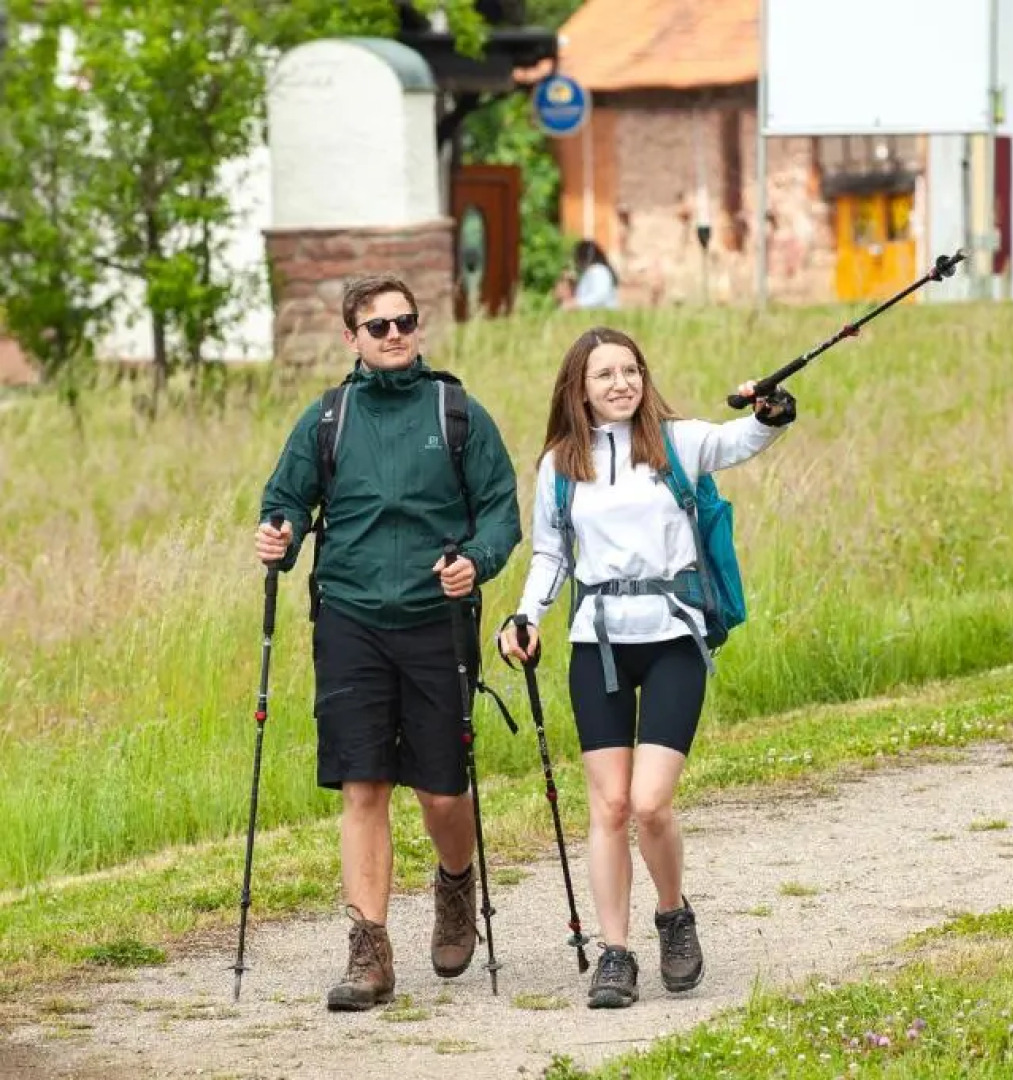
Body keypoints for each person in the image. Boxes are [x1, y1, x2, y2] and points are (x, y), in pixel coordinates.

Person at [496, 325, 796, 1009]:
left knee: (649, 803)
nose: (621, 384)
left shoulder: (676, 441)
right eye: (605, 374)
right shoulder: (560, 464)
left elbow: (743, 439)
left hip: (672, 640)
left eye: (630, 371)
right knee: (608, 806)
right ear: (579, 388)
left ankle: (672, 915)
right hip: (596, 644)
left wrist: (772, 410)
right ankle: (615, 953)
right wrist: (526, 615)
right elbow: (552, 554)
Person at [253, 275, 523, 1012]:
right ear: (352, 338)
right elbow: (285, 502)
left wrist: (478, 561)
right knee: (363, 782)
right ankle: (368, 949)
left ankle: (455, 885)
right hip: (350, 618)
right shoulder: (328, 418)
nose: (395, 334)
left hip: (438, 620)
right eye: (378, 326)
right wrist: (280, 536)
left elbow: (501, 512)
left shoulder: (457, 412)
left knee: (442, 791)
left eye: (405, 321)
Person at [554, 239, 620, 310]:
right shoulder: (591, 271)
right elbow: (586, 294)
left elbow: (600, 296)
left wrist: (576, 303)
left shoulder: (598, 270)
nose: (576, 262)